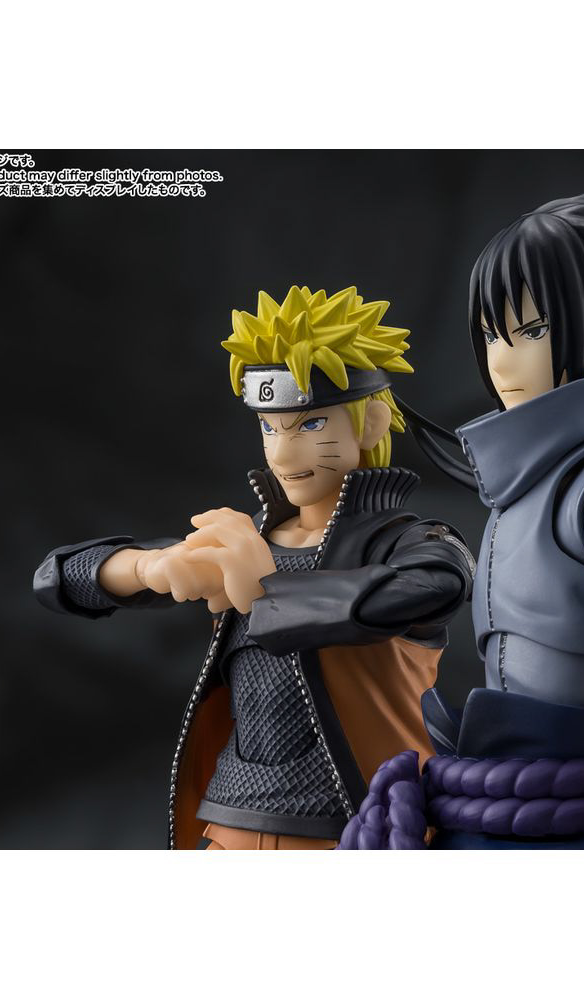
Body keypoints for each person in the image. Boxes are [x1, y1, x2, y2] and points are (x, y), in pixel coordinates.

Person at [33, 285, 474, 849]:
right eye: (270, 426)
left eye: (310, 425)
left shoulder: (411, 543)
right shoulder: (248, 540)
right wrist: (150, 567)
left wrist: (265, 590)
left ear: (370, 423)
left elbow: (434, 585)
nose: (282, 453)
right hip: (234, 815)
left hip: (356, 822)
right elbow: (57, 579)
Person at [341, 193, 584, 850]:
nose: (502, 360)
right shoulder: (523, 487)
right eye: (492, 334)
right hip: (492, 798)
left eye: (532, 331)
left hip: (578, 823)